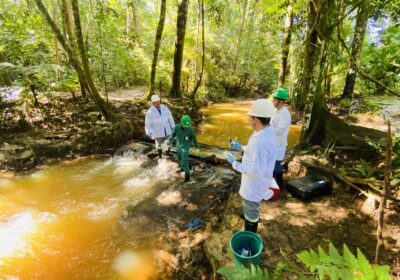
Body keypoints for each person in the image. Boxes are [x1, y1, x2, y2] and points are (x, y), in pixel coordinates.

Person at [226, 99, 278, 233]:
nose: (248, 119)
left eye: (250, 117)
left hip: (254, 183)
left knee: (251, 208)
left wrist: (234, 163)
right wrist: (242, 148)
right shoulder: (264, 131)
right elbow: (254, 151)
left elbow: (256, 171)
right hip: (256, 181)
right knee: (251, 205)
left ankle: (250, 233)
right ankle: (250, 213)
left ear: (257, 120)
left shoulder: (261, 141)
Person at [168, 115, 200, 183]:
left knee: (184, 160)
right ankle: (182, 169)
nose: (186, 127)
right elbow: (172, 135)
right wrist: (169, 139)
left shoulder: (190, 130)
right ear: (181, 123)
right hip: (178, 144)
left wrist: (197, 147)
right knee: (180, 157)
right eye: (185, 126)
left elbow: (194, 139)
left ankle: (187, 178)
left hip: (185, 146)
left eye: (188, 126)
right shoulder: (176, 127)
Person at [270, 88, 291, 189]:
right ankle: (273, 183)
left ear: (281, 101)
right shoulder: (276, 111)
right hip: (273, 141)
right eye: (273, 99)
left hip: (279, 143)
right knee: (271, 162)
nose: (273, 101)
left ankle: (279, 185)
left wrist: (268, 130)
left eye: (275, 100)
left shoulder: (285, 114)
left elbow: (281, 130)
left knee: (276, 163)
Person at [145, 95, 175, 159]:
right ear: (153, 103)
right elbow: (147, 123)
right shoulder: (150, 111)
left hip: (167, 128)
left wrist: (173, 127)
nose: (158, 104)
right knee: (159, 144)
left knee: (168, 142)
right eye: (156, 103)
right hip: (157, 130)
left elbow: (170, 118)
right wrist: (149, 132)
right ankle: (160, 156)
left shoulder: (165, 108)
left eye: (158, 102)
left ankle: (167, 153)